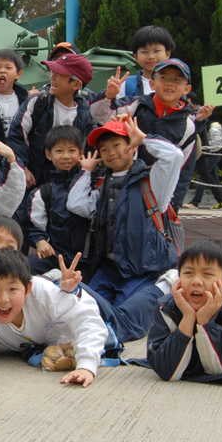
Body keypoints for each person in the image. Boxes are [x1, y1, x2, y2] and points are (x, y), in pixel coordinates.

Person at [66, 115, 181, 343]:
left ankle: (106, 338)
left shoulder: (152, 183)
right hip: (109, 269)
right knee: (83, 305)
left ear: (131, 147)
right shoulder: (103, 183)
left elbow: (174, 156)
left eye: (117, 145)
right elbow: (76, 204)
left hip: (141, 269)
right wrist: (87, 171)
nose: (111, 153)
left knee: (125, 315)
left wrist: (144, 139)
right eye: (104, 149)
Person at [0, 248, 108, 387]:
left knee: (129, 322)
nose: (3, 299)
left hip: (103, 318)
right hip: (56, 342)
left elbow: (88, 322)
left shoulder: (43, 293)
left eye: (12, 289)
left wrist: (86, 367)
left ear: (28, 288)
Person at [137, 238, 222, 386]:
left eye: (207, 274)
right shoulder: (166, 308)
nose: (196, 281)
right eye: (188, 273)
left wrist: (205, 322)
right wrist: (188, 317)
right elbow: (166, 370)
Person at [93, 57, 207, 210]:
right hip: (121, 185)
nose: (169, 83)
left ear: (187, 89)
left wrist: (173, 206)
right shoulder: (136, 105)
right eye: (164, 77)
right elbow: (99, 114)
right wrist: (109, 96)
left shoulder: (187, 126)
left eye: (177, 79)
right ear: (152, 84)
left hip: (155, 194)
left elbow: (183, 169)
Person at [8, 51, 96, 188]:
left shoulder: (85, 114)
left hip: (69, 184)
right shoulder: (37, 102)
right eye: (52, 72)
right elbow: (16, 136)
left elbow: (90, 149)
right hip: (33, 181)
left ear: (76, 85)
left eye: (59, 74)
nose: (52, 78)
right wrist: (22, 167)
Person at [22, 125, 90, 275]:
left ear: (81, 153)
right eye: (59, 151)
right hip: (54, 258)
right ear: (48, 154)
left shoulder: (92, 183)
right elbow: (33, 227)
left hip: (88, 262)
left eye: (72, 150)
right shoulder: (43, 192)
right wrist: (40, 241)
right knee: (21, 268)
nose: (66, 156)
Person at [186, 103, 222, 209]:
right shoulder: (208, 122)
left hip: (208, 152)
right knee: (211, 177)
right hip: (208, 152)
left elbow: (214, 142)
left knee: (204, 176)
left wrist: (209, 151)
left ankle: (196, 202)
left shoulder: (211, 125)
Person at [122, 25, 177, 98]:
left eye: (156, 51)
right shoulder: (126, 85)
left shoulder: (176, 85)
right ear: (136, 56)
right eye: (144, 52)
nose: (151, 56)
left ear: (167, 54)